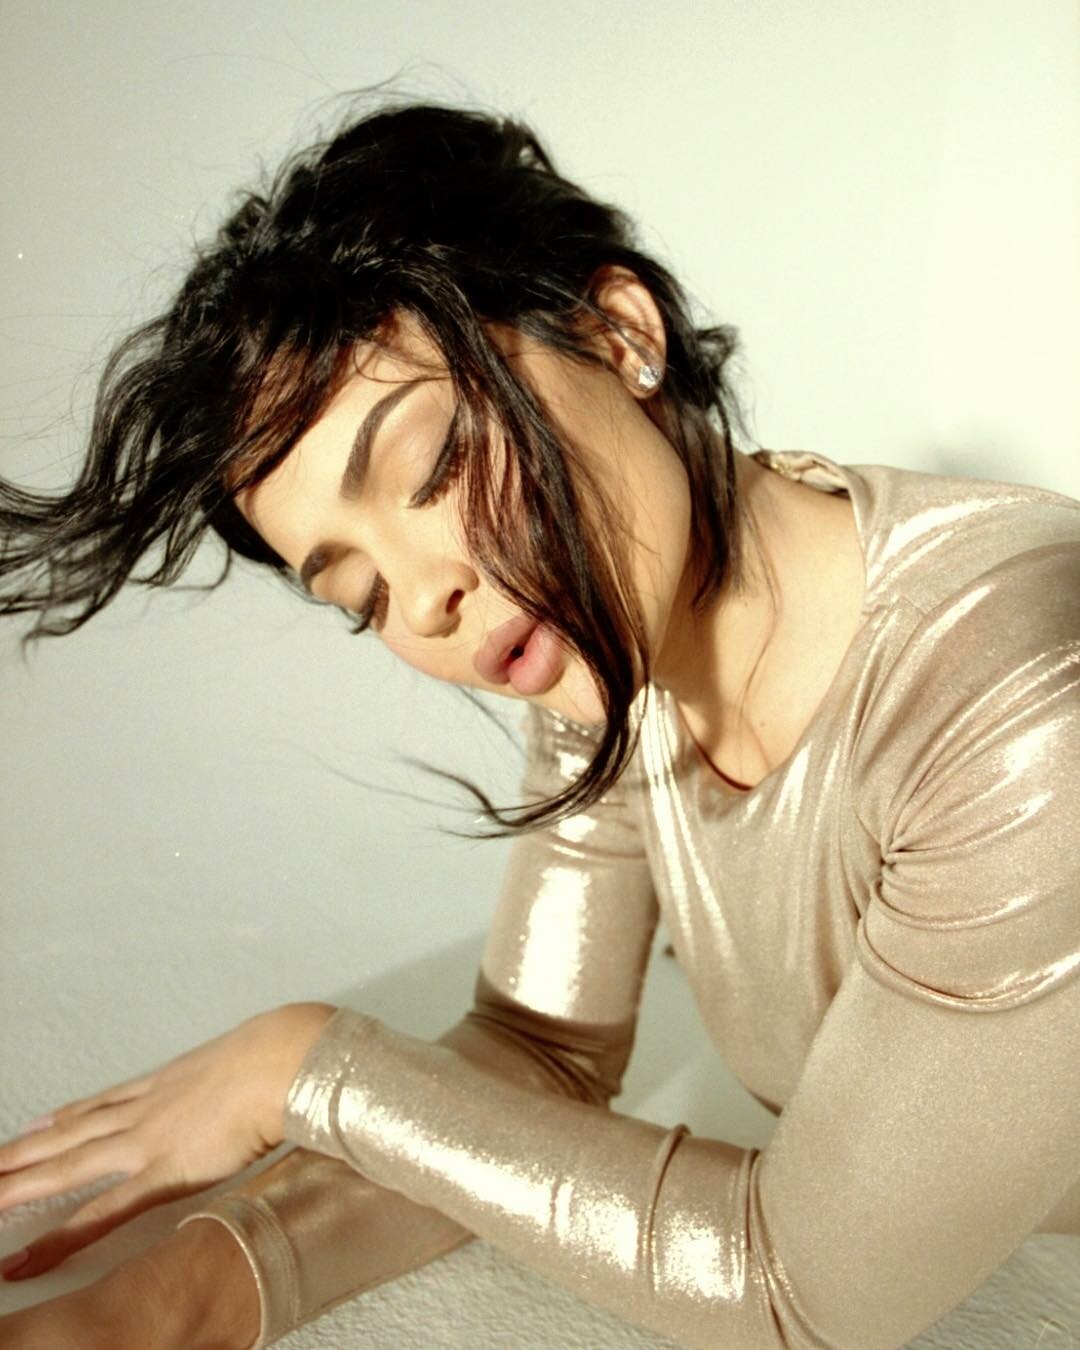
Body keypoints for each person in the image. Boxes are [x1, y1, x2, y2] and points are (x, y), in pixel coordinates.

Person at [0, 97, 1077, 1350]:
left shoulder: (1025, 695)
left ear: (620, 334)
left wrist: (302, 1069)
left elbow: (805, 1282)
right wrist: (156, 1306)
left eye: (433, 467)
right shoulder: (608, 650)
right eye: (361, 594)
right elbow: (534, 1058)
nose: (426, 601)